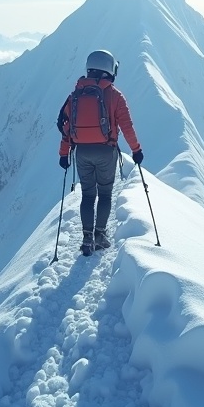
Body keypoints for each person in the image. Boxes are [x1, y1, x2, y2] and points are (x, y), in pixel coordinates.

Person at [57, 50, 143, 255]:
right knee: (105, 194)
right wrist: (136, 150)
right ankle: (100, 236)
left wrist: (63, 154)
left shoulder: (75, 95)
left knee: (88, 195)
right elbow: (127, 126)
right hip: (106, 151)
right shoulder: (115, 95)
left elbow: (67, 128)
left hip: (82, 152)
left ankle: (87, 238)